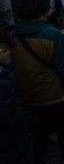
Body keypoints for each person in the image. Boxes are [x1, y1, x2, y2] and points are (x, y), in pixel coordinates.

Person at [10, 0, 64, 164]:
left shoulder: (14, 35)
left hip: (28, 94)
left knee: (42, 129)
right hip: (55, 94)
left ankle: (37, 158)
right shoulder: (53, 36)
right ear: (42, 11)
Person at [0, 30, 32, 164]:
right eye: (6, 51)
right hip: (9, 142)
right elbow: (12, 115)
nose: (8, 55)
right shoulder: (3, 82)